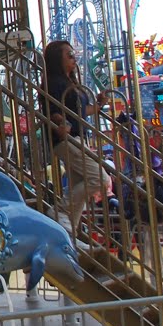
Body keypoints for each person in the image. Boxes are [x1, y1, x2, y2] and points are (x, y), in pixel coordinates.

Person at [42, 39, 109, 241]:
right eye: (69, 55)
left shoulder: (71, 83)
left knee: (79, 184)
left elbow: (80, 112)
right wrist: (61, 122)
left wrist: (97, 106)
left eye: (73, 55)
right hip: (67, 139)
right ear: (57, 60)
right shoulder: (53, 83)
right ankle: (60, 212)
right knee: (100, 179)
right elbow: (51, 110)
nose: (74, 59)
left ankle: (69, 233)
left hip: (78, 137)